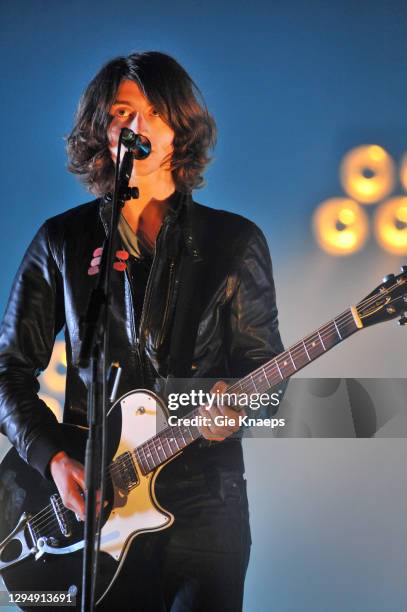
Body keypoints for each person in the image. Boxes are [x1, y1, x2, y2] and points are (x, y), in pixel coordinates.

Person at [0, 51, 284, 611]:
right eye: (123, 112)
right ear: (100, 132)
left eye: (155, 110)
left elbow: (269, 378)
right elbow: (8, 370)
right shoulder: (63, 241)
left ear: (181, 125)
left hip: (205, 500)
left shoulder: (235, 242)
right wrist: (54, 460)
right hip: (92, 498)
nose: (138, 124)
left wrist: (239, 409)